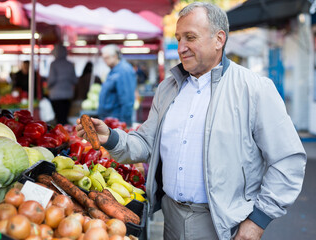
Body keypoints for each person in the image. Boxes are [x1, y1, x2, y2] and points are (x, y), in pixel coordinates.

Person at [76, 2, 307, 240]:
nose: (181, 48)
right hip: (171, 219)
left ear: (219, 39)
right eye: (178, 39)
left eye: (190, 37)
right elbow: (146, 142)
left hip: (225, 227)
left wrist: (258, 220)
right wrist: (111, 138)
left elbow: (288, 160)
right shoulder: (168, 88)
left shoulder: (254, 89)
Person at [97, 44, 137, 127]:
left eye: (106, 58)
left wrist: (124, 125)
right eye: (103, 58)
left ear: (115, 56)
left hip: (117, 121)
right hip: (110, 120)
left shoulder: (123, 71)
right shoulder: (113, 70)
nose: (105, 61)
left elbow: (127, 100)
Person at [48, 44, 77, 125]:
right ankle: (66, 132)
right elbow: (75, 80)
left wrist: (48, 86)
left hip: (55, 95)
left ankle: (60, 134)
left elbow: (51, 79)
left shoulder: (54, 64)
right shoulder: (70, 64)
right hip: (68, 95)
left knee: (58, 118)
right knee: (64, 117)